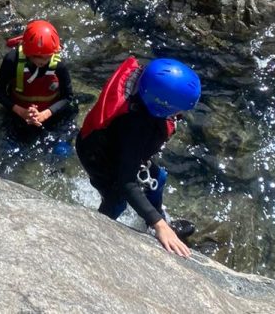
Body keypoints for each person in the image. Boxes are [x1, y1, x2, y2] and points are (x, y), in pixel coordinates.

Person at [75, 57, 201, 258]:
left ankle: (155, 220)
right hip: (98, 157)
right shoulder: (135, 126)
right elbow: (126, 182)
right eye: (178, 110)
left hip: (115, 145)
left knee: (158, 179)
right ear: (161, 105)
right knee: (117, 200)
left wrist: (156, 220)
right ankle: (95, 232)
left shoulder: (143, 88)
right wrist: (159, 225)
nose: (181, 114)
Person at [0, 20, 75, 133]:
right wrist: (21, 112)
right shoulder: (12, 60)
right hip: (18, 112)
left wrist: (45, 114)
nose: (45, 61)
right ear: (28, 53)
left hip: (51, 113)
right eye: (40, 57)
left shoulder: (59, 64)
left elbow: (68, 96)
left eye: (49, 57)